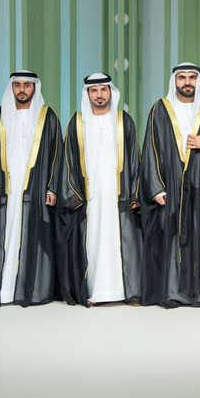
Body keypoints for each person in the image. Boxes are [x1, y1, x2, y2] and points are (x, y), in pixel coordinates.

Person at [140, 63, 200, 307]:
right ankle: (172, 289)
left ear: (198, 80)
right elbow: (150, 149)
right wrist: (156, 187)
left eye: (192, 77)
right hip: (170, 187)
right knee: (172, 237)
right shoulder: (160, 109)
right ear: (175, 81)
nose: (187, 82)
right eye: (182, 77)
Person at [0, 70, 62, 307]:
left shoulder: (47, 117)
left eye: (26, 85)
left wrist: (51, 188)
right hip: (5, 188)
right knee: (5, 236)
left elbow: (56, 155)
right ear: (12, 88)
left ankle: (30, 290)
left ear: (34, 88)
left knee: (33, 237)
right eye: (17, 85)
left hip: (35, 189)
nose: (22, 90)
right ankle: (4, 290)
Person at [58, 73, 143, 305]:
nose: (99, 95)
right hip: (90, 198)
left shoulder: (123, 121)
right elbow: (68, 161)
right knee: (93, 243)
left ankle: (123, 292)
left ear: (110, 92)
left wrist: (135, 194)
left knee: (120, 242)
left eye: (103, 90)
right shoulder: (77, 123)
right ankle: (95, 291)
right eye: (93, 90)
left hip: (119, 195)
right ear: (87, 94)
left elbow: (135, 160)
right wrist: (73, 195)